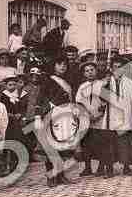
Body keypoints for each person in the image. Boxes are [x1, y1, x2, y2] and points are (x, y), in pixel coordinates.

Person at [103, 55, 132, 177]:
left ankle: (126, 167)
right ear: (112, 68)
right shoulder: (107, 81)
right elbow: (102, 98)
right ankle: (109, 169)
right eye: (115, 67)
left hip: (125, 116)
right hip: (111, 117)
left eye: (121, 67)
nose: (118, 69)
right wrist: (105, 85)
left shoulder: (129, 82)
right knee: (109, 143)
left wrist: (130, 108)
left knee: (125, 142)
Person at [41, 55, 75, 187]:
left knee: (63, 147)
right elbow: (41, 98)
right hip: (52, 116)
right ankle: (51, 177)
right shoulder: (48, 80)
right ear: (53, 66)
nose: (63, 66)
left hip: (65, 117)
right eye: (59, 64)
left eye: (65, 64)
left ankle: (61, 175)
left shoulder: (68, 80)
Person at [75, 61, 107, 177]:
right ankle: (87, 167)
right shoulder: (82, 87)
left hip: (100, 119)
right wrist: (86, 115)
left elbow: (107, 101)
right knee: (87, 144)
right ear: (84, 73)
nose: (89, 73)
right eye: (87, 71)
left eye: (92, 70)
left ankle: (101, 167)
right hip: (86, 119)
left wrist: (100, 113)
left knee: (101, 143)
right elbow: (78, 102)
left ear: (96, 71)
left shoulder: (102, 84)